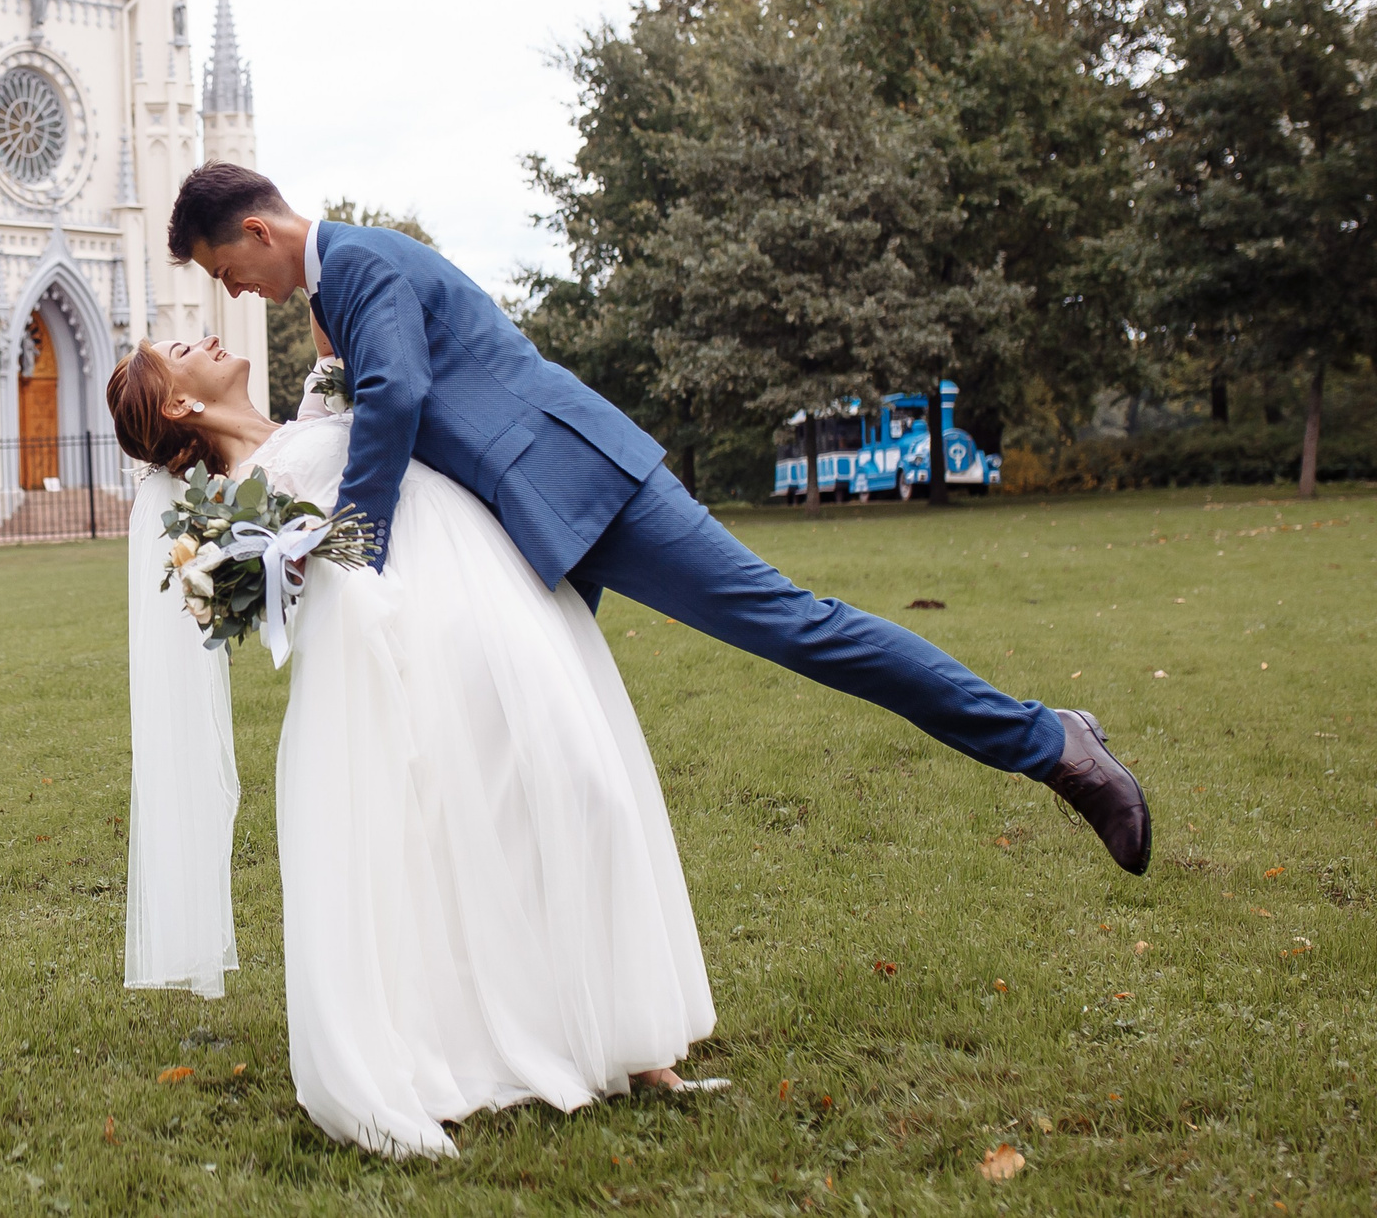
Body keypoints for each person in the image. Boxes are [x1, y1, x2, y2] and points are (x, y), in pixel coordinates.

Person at [164, 163, 1150, 875]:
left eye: (222, 269)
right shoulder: (338, 297)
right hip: (524, 520)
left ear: (255, 231)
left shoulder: (365, 263)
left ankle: (1050, 745)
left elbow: (396, 400)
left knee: (790, 625)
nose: (230, 293)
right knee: (526, 731)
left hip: (582, 484)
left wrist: (350, 547)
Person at [109, 334, 722, 1157]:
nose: (209, 335)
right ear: (178, 403)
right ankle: (495, 1047)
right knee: (469, 845)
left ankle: (631, 1044)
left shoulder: (312, 410)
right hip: (415, 648)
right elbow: (294, 601)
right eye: (183, 348)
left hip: (485, 601)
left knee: (581, 785)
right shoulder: (239, 506)